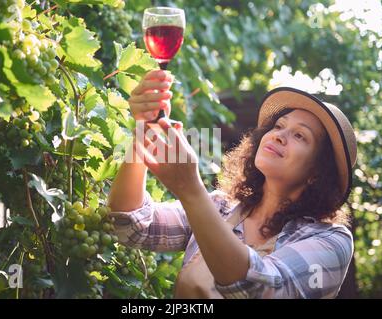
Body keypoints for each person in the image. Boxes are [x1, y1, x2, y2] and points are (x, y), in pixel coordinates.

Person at [107, 69, 357, 299]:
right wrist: (146, 129)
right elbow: (132, 225)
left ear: (317, 173)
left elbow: (261, 288)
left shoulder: (331, 242)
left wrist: (191, 189)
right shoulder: (219, 207)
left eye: (300, 135)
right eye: (279, 126)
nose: (279, 135)